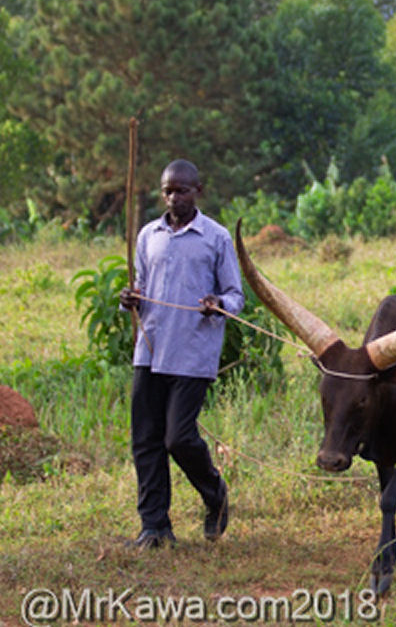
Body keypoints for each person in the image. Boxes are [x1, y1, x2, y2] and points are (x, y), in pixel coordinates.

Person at [119, 159, 244, 548]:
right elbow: (140, 286)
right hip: (150, 349)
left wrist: (217, 302)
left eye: (182, 190)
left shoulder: (216, 237)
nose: (174, 197)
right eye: (168, 191)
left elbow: (236, 296)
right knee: (146, 440)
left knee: (178, 438)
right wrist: (129, 299)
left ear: (198, 191)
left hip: (193, 353)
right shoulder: (147, 235)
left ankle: (215, 494)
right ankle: (154, 526)